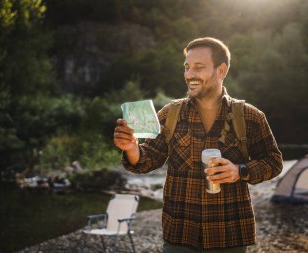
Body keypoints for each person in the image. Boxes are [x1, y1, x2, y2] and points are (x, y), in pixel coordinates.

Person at [114, 37, 283, 253]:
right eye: (187, 68)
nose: (189, 74)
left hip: (229, 234)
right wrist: (131, 148)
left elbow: (274, 161)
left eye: (198, 67)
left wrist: (240, 171)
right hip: (180, 233)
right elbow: (147, 159)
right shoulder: (170, 114)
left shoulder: (249, 116)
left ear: (221, 71)